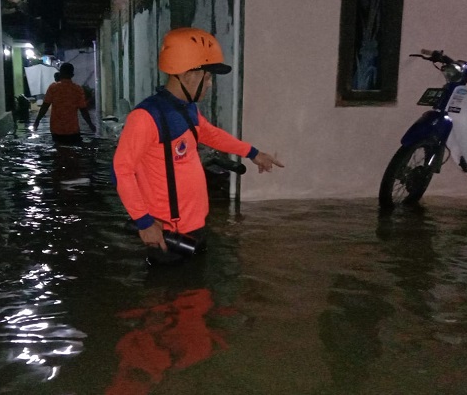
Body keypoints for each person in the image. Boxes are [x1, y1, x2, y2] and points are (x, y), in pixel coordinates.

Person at [112, 27, 283, 259]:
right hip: (166, 233)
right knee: (167, 292)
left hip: (194, 223)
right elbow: (122, 170)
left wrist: (253, 153)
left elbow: (210, 134)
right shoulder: (146, 117)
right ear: (189, 75)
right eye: (208, 76)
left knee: (196, 289)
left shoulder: (187, 108)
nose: (211, 84)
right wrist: (144, 223)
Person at [33, 62, 96, 144]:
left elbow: (45, 106)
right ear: (72, 75)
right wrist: (90, 124)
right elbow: (83, 110)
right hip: (72, 130)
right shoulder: (77, 89)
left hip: (56, 130)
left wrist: (37, 121)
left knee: (58, 152)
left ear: (60, 74)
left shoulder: (53, 88)